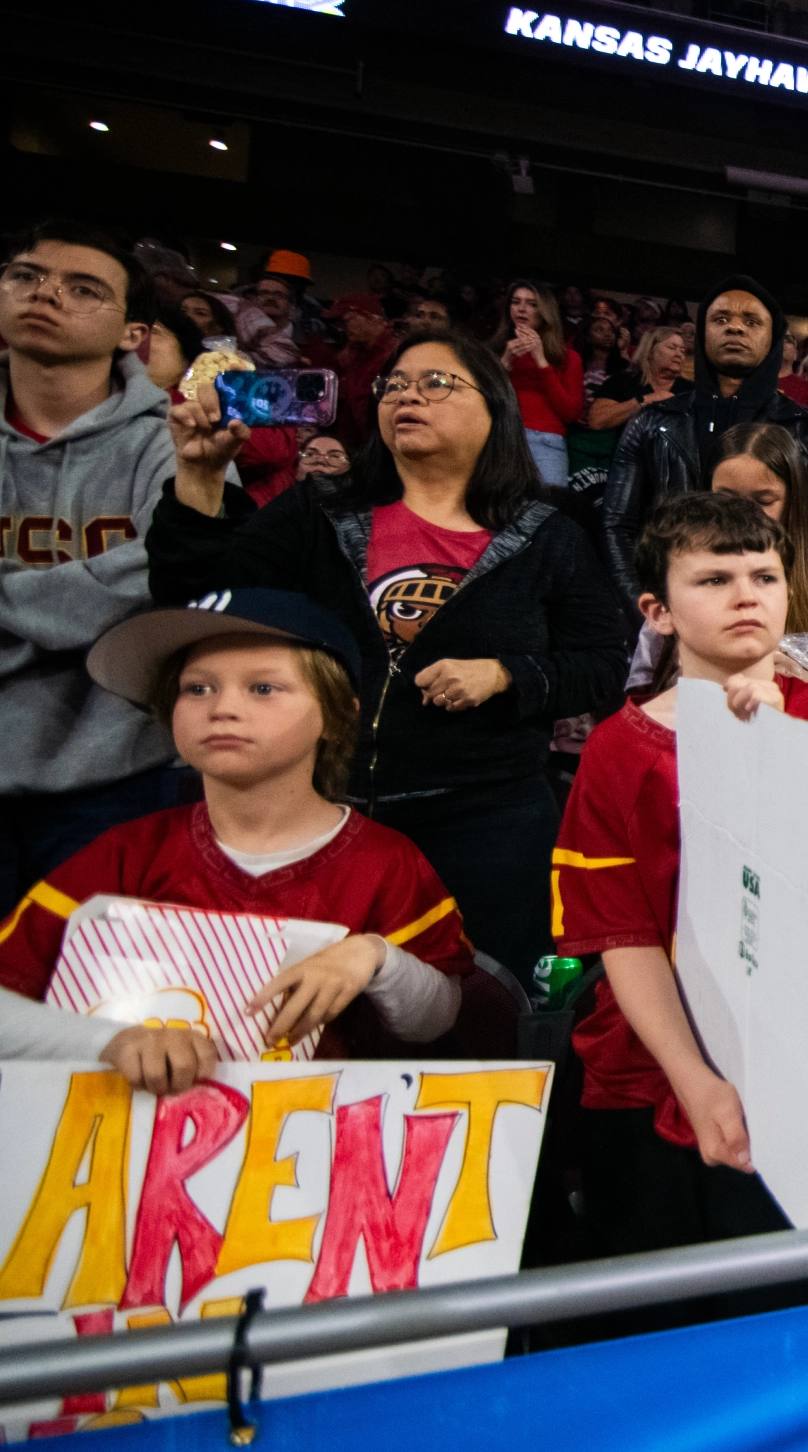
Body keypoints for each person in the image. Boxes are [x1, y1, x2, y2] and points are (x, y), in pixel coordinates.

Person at [153, 327, 627, 982]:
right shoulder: (319, 509)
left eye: (437, 382)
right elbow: (205, 611)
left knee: (484, 1003)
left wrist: (506, 674)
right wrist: (201, 477)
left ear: (495, 407)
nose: (408, 395)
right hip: (323, 812)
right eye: (394, 384)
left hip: (487, 826)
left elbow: (603, 662)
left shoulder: (551, 533)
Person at [554, 493, 808, 1269]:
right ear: (658, 610)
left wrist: (770, 750)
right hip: (642, 1068)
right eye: (714, 579)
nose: (748, 594)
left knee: (768, 1310)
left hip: (777, 1061)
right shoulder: (616, 746)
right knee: (654, 1324)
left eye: (765, 576)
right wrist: (694, 1078)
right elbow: (624, 934)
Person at [4, 587, 471, 1060]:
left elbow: (435, 1022)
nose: (222, 708)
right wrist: (110, 1042)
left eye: (263, 688)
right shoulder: (124, 855)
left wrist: (375, 957)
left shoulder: (384, 861)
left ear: (336, 714)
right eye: (197, 688)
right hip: (133, 1125)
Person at [0, 221, 189, 912]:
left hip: (118, 769)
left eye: (83, 288)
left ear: (131, 334)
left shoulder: (175, 444)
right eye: (25, 276)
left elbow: (169, 574)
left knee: (90, 1003)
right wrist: (75, 606)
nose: (46, 294)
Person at [602, 275, 808, 606]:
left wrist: (774, 603)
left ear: (774, 336)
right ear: (703, 332)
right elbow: (617, 527)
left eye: (751, 321)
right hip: (669, 610)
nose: (735, 328)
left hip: (770, 616)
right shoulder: (651, 422)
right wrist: (652, 610)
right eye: (721, 319)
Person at [628, 422, 808, 698]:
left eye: (763, 500)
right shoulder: (677, 586)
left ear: (792, 502)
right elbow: (642, 694)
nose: (743, 515)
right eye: (725, 499)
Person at [489, 280, 583, 488]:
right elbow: (482, 402)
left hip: (547, 441)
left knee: (548, 512)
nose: (522, 309)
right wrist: (505, 363)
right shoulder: (495, 351)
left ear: (545, 312)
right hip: (504, 436)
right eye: (516, 302)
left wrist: (541, 361)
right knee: (497, 512)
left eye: (532, 304)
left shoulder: (568, 357)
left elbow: (571, 413)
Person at [587, 324, 691, 436]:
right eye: (672, 347)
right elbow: (597, 421)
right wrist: (645, 400)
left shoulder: (691, 390)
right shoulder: (622, 381)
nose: (679, 354)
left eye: (682, 351)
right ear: (650, 350)